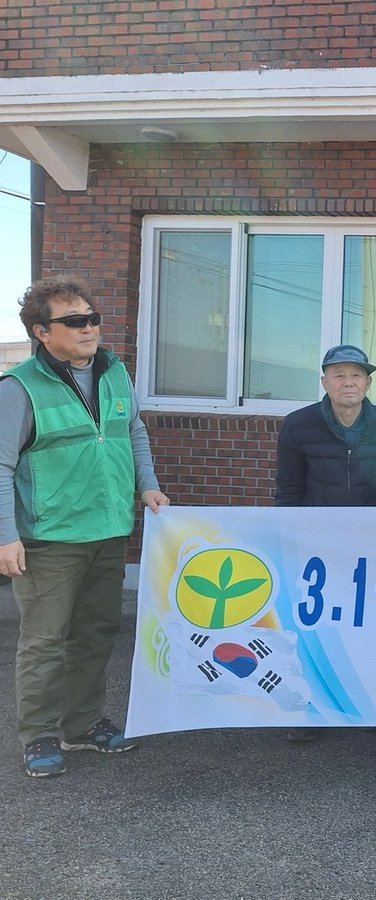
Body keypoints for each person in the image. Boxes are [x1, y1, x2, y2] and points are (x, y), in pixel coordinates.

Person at [0, 275, 170, 778]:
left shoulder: (115, 372)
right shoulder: (19, 388)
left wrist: (148, 485)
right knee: (45, 641)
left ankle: (82, 725)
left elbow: (133, 431)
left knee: (95, 633)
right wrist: (6, 536)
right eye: (74, 321)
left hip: (109, 529)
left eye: (92, 318)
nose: (89, 328)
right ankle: (38, 735)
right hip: (49, 539)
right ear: (41, 331)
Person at [275, 343, 376, 742]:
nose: (349, 382)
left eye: (357, 375)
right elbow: (288, 490)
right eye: (339, 375)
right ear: (324, 381)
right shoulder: (298, 425)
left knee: (369, 626)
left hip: (372, 548)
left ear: (368, 383)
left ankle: (366, 703)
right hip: (316, 547)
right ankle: (311, 710)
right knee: (315, 628)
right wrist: (288, 538)